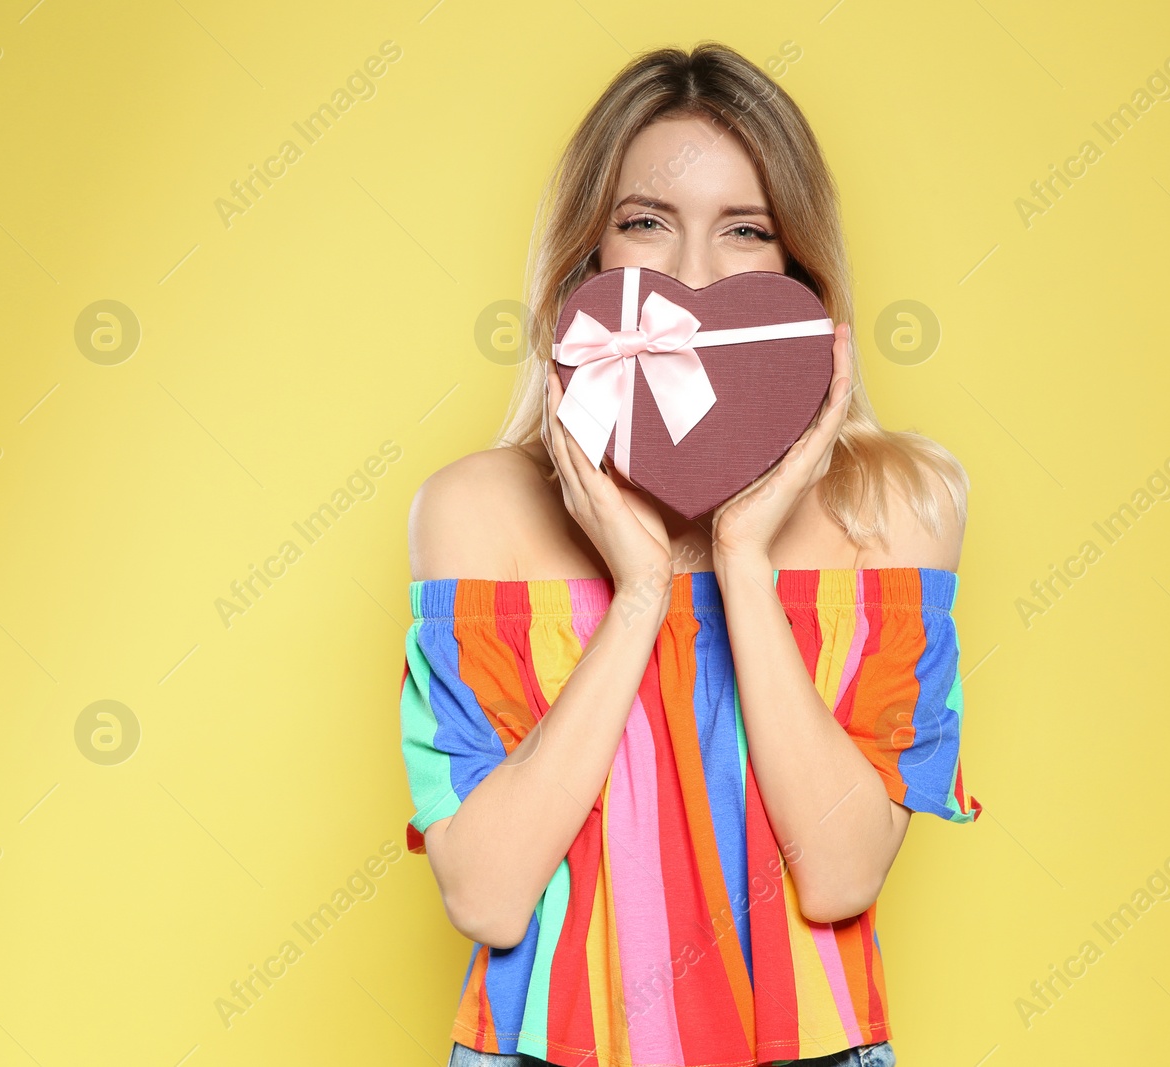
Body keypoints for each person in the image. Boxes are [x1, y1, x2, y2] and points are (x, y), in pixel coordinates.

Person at [400, 41, 979, 1067]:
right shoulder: (476, 512)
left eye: (744, 232)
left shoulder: (896, 509)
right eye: (646, 224)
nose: (692, 279)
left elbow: (842, 873)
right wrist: (640, 592)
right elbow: (485, 896)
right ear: (588, 259)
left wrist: (743, 560)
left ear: (798, 268)